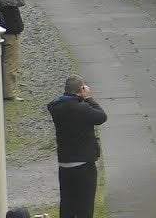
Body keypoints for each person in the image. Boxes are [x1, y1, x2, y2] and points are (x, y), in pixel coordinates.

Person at [48, 75, 107, 218]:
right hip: (83, 163)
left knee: (67, 205)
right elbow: (101, 117)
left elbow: (61, 103)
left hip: (64, 162)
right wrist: (88, 98)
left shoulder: (56, 107)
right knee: (84, 206)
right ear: (81, 89)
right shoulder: (82, 108)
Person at [0, 0, 30, 102]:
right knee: (11, 64)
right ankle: (10, 93)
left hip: (8, 32)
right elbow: (20, 1)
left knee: (7, 63)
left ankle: (7, 90)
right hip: (10, 34)